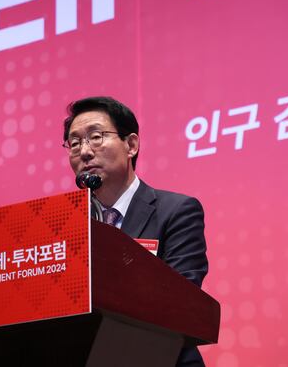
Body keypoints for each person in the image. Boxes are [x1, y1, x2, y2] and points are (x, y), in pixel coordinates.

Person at [63, 96, 209, 367]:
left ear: (131, 145)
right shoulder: (65, 227)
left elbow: (183, 300)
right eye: (74, 143)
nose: (84, 151)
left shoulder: (176, 211)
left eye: (96, 137)